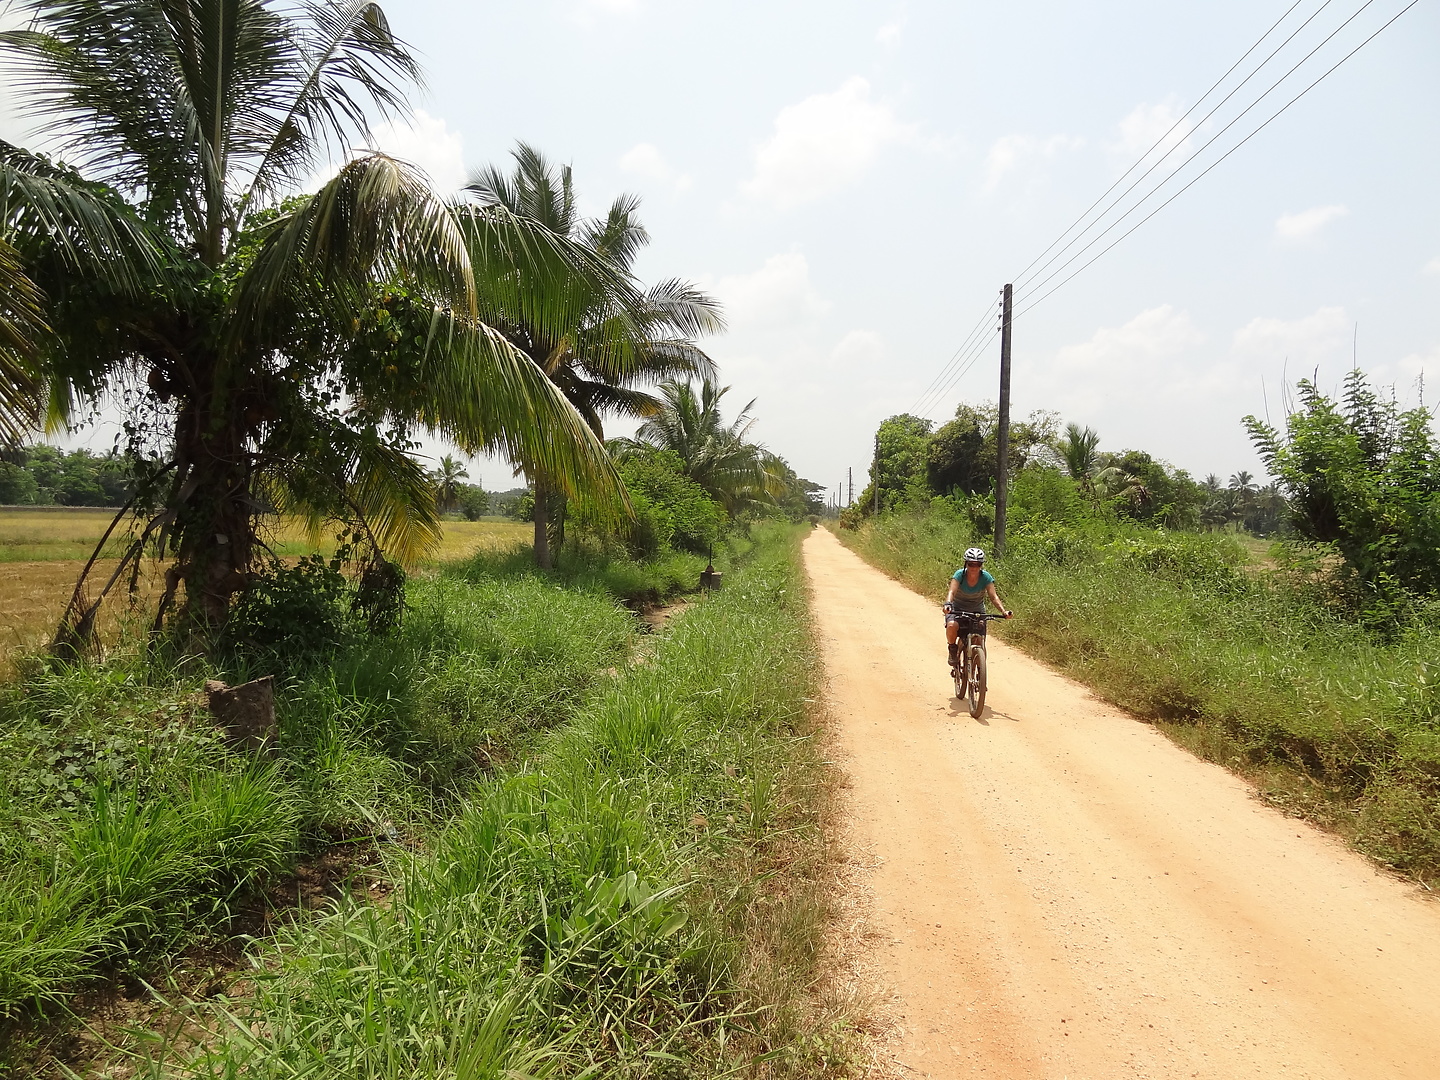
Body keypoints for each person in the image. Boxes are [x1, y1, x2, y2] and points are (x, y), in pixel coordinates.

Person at [944, 546, 1011, 667]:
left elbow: (993, 597)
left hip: (977, 611)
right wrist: (948, 604)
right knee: (952, 625)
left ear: (981, 565)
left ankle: (980, 672)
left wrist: (1003, 611)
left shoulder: (986, 577)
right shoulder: (959, 575)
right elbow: (951, 592)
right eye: (971, 564)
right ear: (966, 564)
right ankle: (952, 649)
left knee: (979, 640)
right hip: (958, 609)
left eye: (978, 564)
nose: (974, 567)